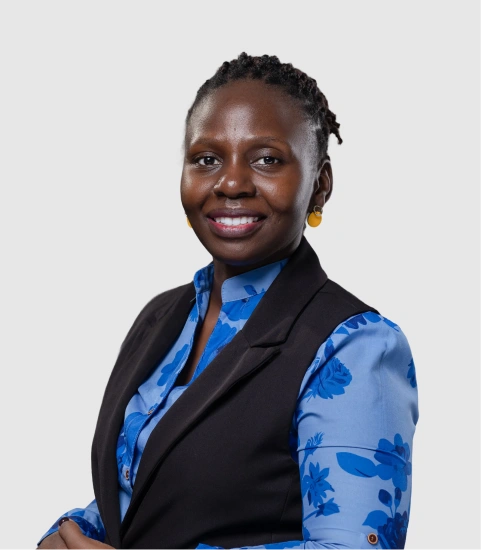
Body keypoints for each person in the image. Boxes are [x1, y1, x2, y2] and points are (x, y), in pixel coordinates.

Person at [37, 52, 419, 550]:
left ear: (320, 185)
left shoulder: (354, 347)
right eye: (207, 159)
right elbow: (148, 492)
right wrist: (69, 534)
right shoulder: (162, 317)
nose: (231, 183)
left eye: (267, 159)